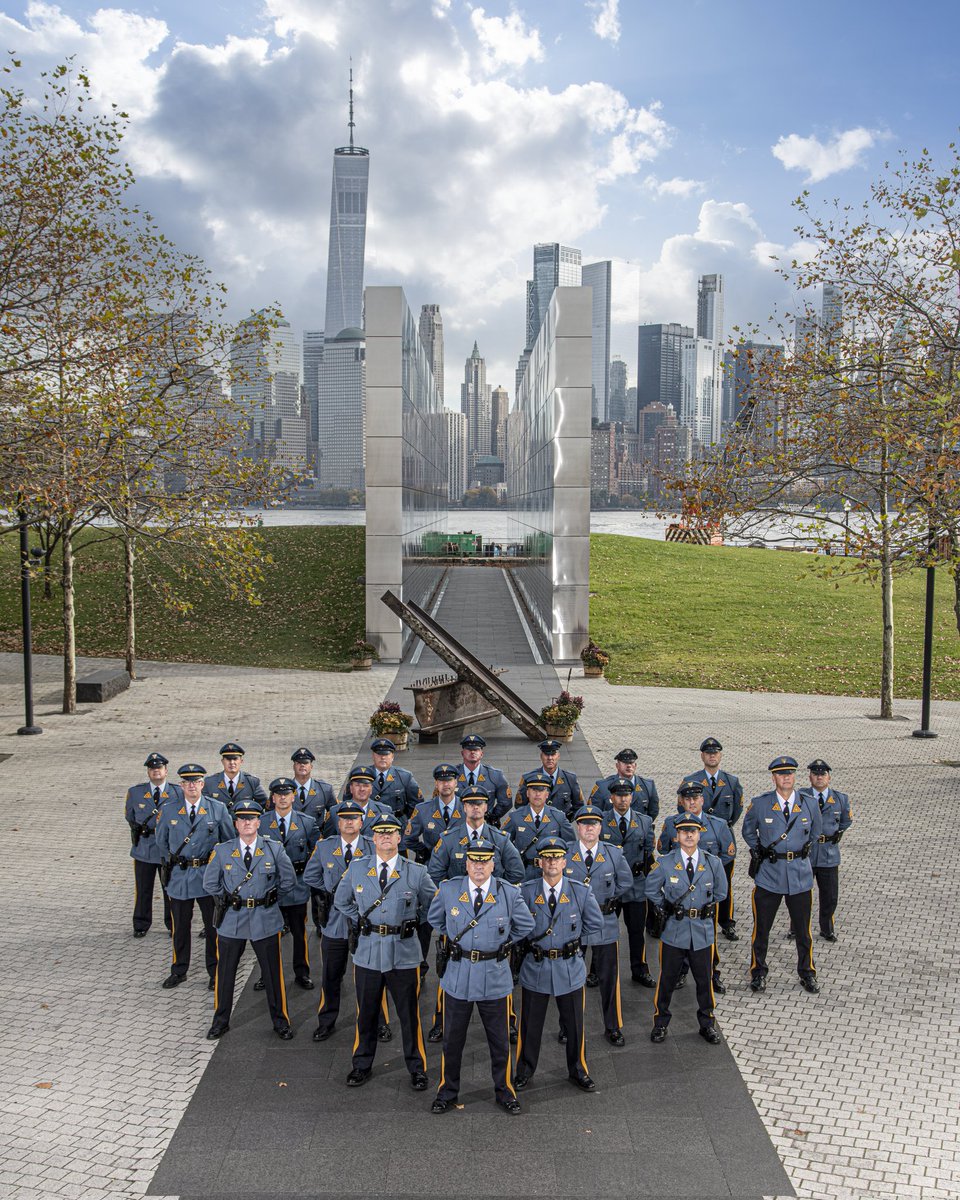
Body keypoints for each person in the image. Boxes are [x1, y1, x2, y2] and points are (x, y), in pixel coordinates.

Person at [428, 841, 534, 1115]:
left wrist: (500, 944)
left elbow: (525, 924)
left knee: (499, 1041)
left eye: (484, 861)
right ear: (466, 864)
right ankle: (447, 1092)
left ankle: (504, 1091)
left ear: (493, 864)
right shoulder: (450, 890)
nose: (478, 866)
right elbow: (436, 919)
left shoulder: (508, 893)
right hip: (458, 975)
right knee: (452, 1041)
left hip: (493, 976)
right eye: (473, 861)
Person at [333, 814, 436, 1088]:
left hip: (404, 952)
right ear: (374, 838)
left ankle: (417, 1068)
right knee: (365, 1014)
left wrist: (412, 921)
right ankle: (361, 1065)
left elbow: (432, 905)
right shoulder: (357, 869)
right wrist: (362, 920)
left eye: (391, 832)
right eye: (381, 832)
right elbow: (341, 899)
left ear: (399, 838)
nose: (386, 836)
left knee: (408, 1015)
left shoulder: (416, 871)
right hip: (368, 951)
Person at [203, 798, 297, 1040]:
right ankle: (220, 1021)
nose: (247, 823)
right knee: (225, 975)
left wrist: (270, 900)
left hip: (264, 918)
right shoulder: (223, 851)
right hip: (232, 919)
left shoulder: (273, 848)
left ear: (258, 822)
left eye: (251, 819)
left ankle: (280, 1021)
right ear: (236, 824)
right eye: (242, 819)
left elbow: (288, 881)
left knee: (273, 975)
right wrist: (228, 901)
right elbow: (210, 883)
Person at [514, 838, 603, 1092]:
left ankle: (578, 1070)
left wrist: (570, 942)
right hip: (536, 965)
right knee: (530, 1025)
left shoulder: (580, 891)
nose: (552, 862)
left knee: (575, 1025)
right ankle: (525, 1071)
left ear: (565, 861)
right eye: (547, 857)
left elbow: (594, 923)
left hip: (569, 966)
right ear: (540, 862)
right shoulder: (526, 891)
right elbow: (518, 925)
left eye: (557, 857)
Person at [742, 755, 822, 994]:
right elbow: (748, 831)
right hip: (770, 874)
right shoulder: (761, 804)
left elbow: (815, 832)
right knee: (761, 929)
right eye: (781, 773)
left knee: (803, 931)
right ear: (774, 777)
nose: (786, 777)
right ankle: (758, 972)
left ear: (795, 776)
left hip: (799, 875)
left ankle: (807, 972)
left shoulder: (808, 803)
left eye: (790, 773)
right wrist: (762, 850)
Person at [645, 813, 727, 1045]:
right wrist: (667, 907)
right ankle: (660, 1023)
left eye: (693, 831)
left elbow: (721, 892)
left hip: (702, 931)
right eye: (684, 831)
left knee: (704, 980)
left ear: (700, 834)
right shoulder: (665, 863)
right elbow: (651, 891)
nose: (689, 835)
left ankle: (707, 1024)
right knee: (667, 980)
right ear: (677, 836)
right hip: (674, 930)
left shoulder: (713, 862)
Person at [303, 801, 378, 1042]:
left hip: (364, 922)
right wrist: (328, 892)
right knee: (331, 976)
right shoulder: (325, 847)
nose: (348, 822)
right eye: (344, 818)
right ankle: (326, 1021)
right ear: (337, 822)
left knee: (371, 978)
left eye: (354, 818)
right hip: (334, 923)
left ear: (361, 822)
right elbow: (310, 875)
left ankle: (379, 1022)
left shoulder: (372, 847)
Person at [155, 764, 234, 990]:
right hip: (180, 878)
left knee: (213, 928)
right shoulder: (170, 810)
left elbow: (228, 841)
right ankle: (179, 970)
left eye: (196, 781)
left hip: (208, 877)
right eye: (187, 782)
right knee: (180, 927)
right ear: (181, 786)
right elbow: (161, 842)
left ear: (202, 784)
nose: (191, 786)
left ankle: (214, 972)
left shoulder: (216, 809)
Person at [564, 806, 633, 1045]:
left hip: (605, 923)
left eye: (594, 824)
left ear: (601, 827)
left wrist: (607, 900)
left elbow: (625, 881)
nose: (589, 828)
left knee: (609, 980)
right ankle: (567, 1025)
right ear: (578, 827)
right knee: (571, 979)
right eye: (584, 824)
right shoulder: (566, 852)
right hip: (574, 926)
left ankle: (613, 1026)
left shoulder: (613, 854)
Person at [658, 782, 735, 994]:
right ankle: (681, 972)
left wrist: (711, 874)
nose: (692, 802)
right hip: (680, 894)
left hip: (705, 895)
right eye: (687, 798)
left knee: (709, 940)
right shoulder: (671, 823)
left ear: (702, 800)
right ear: (681, 801)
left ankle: (712, 973)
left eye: (696, 798)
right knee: (679, 936)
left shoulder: (718, 825)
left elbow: (728, 853)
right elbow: (664, 850)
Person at [256, 777, 320, 991]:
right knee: (268, 934)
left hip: (297, 885)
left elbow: (316, 852)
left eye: (287, 794)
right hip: (269, 886)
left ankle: (302, 972)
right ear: (272, 797)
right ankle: (267, 973)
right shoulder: (261, 822)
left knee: (299, 932)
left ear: (294, 796)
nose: (283, 798)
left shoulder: (306, 822)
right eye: (278, 794)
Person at [681, 737, 744, 941]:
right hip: (697, 840)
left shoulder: (732, 781)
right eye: (708, 753)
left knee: (724, 882)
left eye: (715, 752)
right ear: (702, 756)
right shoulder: (691, 780)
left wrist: (723, 828)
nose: (712, 756)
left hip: (723, 839)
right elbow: (682, 810)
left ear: (720, 755)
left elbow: (737, 809)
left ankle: (726, 922)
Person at [600, 779, 655, 987]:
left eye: (626, 795)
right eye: (618, 795)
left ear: (632, 797)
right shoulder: (601, 821)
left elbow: (649, 853)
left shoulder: (645, 821)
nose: (623, 799)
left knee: (636, 931)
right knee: (604, 931)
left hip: (636, 885)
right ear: (611, 797)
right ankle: (598, 970)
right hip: (610, 887)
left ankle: (639, 969)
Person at [125, 752, 181, 938]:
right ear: (148, 772)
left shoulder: (177, 792)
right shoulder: (135, 792)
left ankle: (173, 923)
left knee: (170, 889)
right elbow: (130, 817)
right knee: (143, 889)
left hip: (168, 850)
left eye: (159, 768)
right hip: (145, 850)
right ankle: (141, 923)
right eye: (152, 769)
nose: (156, 771)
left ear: (166, 771)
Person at [800, 759, 852, 941]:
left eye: (823, 774)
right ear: (810, 777)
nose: (819, 777)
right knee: (800, 895)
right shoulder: (801, 797)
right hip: (806, 853)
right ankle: (796, 927)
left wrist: (835, 835)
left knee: (830, 896)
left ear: (829, 777)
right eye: (815, 774)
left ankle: (827, 928)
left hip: (829, 855)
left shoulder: (840, 799)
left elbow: (846, 821)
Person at [428, 789, 524, 887]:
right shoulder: (448, 839)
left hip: (492, 898)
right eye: (471, 804)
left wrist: (495, 888)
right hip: (459, 899)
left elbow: (517, 872)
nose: (475, 807)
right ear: (464, 807)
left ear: (486, 807)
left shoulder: (500, 839)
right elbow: (435, 873)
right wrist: (453, 892)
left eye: (479, 804)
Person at [501, 773, 575, 880]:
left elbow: (570, 846)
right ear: (527, 793)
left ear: (547, 794)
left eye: (541, 791)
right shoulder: (515, 817)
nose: (537, 794)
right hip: (524, 873)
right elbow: (503, 844)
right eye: (534, 790)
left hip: (550, 873)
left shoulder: (559, 817)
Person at [515, 739, 584, 818]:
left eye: (553, 754)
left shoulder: (570, 778)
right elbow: (519, 805)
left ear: (558, 756)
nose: (550, 758)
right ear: (541, 756)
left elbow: (579, 806)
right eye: (546, 754)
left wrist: (566, 821)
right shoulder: (529, 778)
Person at [456, 734, 512, 824]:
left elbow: (506, 802)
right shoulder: (453, 776)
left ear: (482, 754)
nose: (472, 752)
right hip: (457, 824)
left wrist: (491, 816)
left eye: (476, 749)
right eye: (469, 750)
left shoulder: (495, 775)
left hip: (485, 825)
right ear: (462, 753)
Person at [588, 749, 659, 820]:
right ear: (617, 765)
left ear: (635, 765)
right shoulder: (602, 786)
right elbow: (593, 813)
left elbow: (653, 812)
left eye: (631, 763)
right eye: (625, 763)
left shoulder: (648, 786)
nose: (629, 766)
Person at [361, 737, 424, 818]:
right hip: (369, 823)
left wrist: (406, 822)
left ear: (392, 756)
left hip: (396, 823)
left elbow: (417, 804)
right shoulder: (362, 775)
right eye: (379, 754)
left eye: (386, 754)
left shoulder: (405, 776)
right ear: (373, 756)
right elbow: (349, 801)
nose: (383, 757)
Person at [322, 766, 392, 837]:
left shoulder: (383, 811)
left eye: (366, 786)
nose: (362, 789)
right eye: (357, 785)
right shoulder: (335, 812)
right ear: (351, 788)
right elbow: (328, 842)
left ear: (371, 789)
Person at [203, 743, 268, 813]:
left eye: (235, 759)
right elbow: (203, 806)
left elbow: (265, 804)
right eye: (228, 759)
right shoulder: (210, 782)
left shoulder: (252, 782)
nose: (232, 762)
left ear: (241, 761)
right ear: (222, 761)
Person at [289, 747, 336, 822]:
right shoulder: (283, 790)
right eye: (298, 763)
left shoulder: (325, 790)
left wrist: (326, 832)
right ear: (293, 767)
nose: (302, 765)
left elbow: (335, 815)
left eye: (306, 762)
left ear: (311, 767)